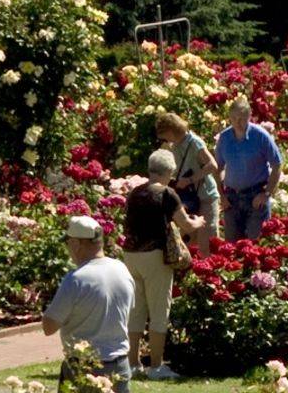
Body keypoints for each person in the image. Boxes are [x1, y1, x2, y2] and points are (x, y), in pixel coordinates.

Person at [122, 149, 205, 379]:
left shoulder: (135, 193)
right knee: (159, 309)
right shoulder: (168, 194)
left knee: (136, 309)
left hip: (131, 255)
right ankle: (156, 366)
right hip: (155, 255)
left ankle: (133, 363)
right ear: (169, 171)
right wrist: (199, 222)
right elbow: (186, 225)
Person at [43, 216, 135, 393]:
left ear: (77, 244)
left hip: (84, 368)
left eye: (68, 243)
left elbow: (49, 326)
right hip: (120, 364)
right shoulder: (121, 269)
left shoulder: (76, 279)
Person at [214, 97, 283, 241]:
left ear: (249, 117)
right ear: (229, 117)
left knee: (254, 244)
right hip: (232, 197)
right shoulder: (225, 138)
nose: (238, 123)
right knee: (231, 245)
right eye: (234, 118)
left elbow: (277, 164)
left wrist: (267, 193)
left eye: (242, 118)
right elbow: (217, 168)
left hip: (255, 196)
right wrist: (222, 195)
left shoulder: (260, 136)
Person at [157, 112, 221, 258]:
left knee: (207, 241)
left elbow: (212, 165)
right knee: (188, 241)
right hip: (188, 198)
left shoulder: (194, 142)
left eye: (165, 134)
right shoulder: (174, 145)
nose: (164, 138)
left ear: (172, 130)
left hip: (205, 196)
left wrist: (190, 180)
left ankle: (210, 274)